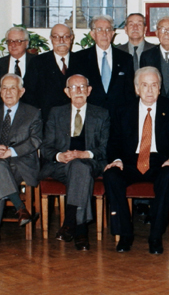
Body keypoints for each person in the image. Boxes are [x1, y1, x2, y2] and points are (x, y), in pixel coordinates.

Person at [103, 67, 169, 254]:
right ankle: (125, 234)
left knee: (168, 175)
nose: (149, 91)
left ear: (159, 87)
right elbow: (114, 141)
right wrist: (116, 159)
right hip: (130, 161)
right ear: (136, 88)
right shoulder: (123, 110)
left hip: (160, 161)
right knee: (111, 175)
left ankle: (155, 236)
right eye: (145, 85)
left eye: (154, 85)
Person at [40, 74, 110, 251]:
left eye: (82, 87)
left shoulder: (101, 114)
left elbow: (105, 148)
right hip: (60, 166)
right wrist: (59, 156)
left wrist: (84, 154)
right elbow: (46, 147)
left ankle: (72, 224)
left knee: (80, 167)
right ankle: (80, 229)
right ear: (66, 92)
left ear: (89, 90)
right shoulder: (56, 113)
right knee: (80, 171)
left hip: (90, 163)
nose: (78, 91)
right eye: (73, 87)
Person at [0, 74, 43, 251]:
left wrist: (10, 152)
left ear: (21, 91)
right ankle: (20, 208)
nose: (8, 92)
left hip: (21, 163)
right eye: (4, 88)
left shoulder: (33, 113)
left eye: (13, 88)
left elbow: (35, 140)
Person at [71, 15, 136, 117]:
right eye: (99, 30)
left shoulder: (125, 58)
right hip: (91, 117)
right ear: (92, 34)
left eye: (108, 30)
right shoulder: (79, 58)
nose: (104, 34)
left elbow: (129, 93)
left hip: (119, 117)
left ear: (113, 33)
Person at [22, 23, 74, 121]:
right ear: (51, 38)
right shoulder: (37, 62)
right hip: (46, 120)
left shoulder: (82, 61)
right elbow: (28, 93)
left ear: (71, 38)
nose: (61, 40)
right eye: (56, 37)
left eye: (66, 36)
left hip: (74, 120)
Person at [0, 27, 36, 105]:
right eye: (10, 41)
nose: (13, 45)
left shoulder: (37, 62)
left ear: (26, 43)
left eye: (18, 41)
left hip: (31, 113)